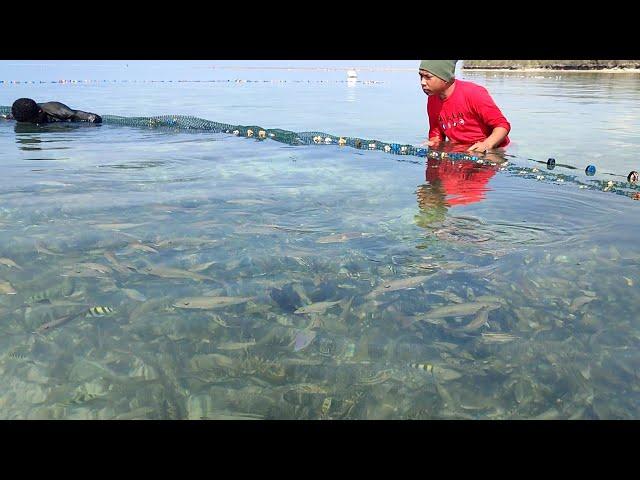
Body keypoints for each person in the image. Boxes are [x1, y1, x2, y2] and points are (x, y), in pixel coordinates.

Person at [419, 60, 510, 153]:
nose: (422, 82)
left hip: (493, 150)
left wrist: (487, 144)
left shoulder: (473, 93)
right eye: (421, 76)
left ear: (445, 77)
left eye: (428, 77)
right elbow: (436, 131)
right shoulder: (433, 99)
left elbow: (502, 126)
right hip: (461, 151)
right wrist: (434, 142)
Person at [6, 98, 102, 124]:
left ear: (40, 111)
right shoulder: (18, 115)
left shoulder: (53, 109)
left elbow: (93, 117)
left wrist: (91, 118)